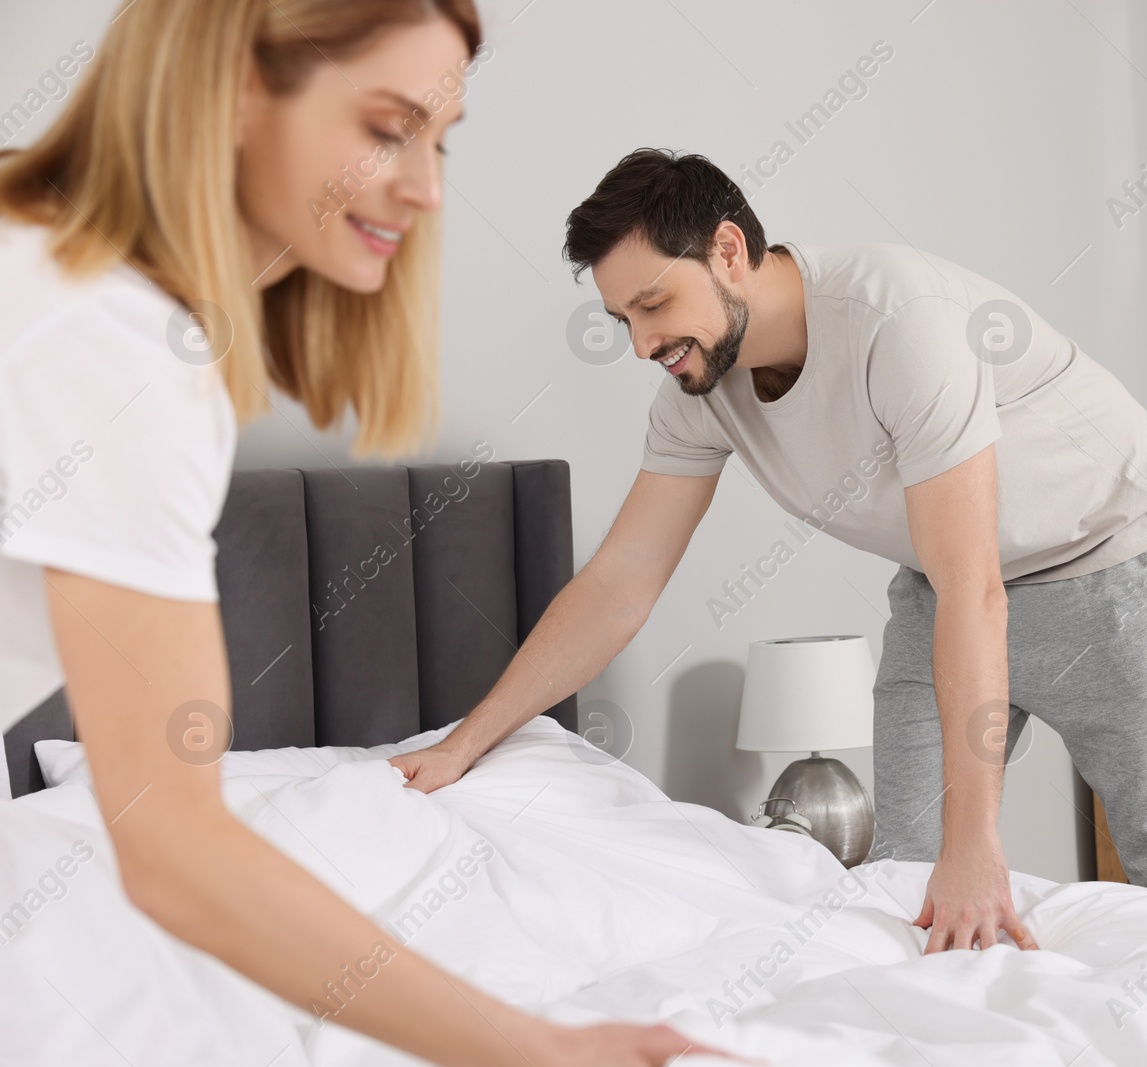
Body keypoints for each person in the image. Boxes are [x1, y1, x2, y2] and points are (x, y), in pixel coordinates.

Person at [0, 6, 721, 1065]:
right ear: (235, 86)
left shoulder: (47, 255)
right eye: (388, 127)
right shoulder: (112, 342)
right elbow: (176, 846)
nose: (429, 188)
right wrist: (545, 1050)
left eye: (442, 139)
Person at [392, 149, 1147, 955]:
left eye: (653, 305)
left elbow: (976, 585)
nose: (642, 344)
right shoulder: (699, 389)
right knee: (906, 882)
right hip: (942, 589)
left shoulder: (897, 325)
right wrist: (467, 743)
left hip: (1110, 563)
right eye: (623, 320)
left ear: (728, 250)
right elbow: (619, 583)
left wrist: (978, 842)